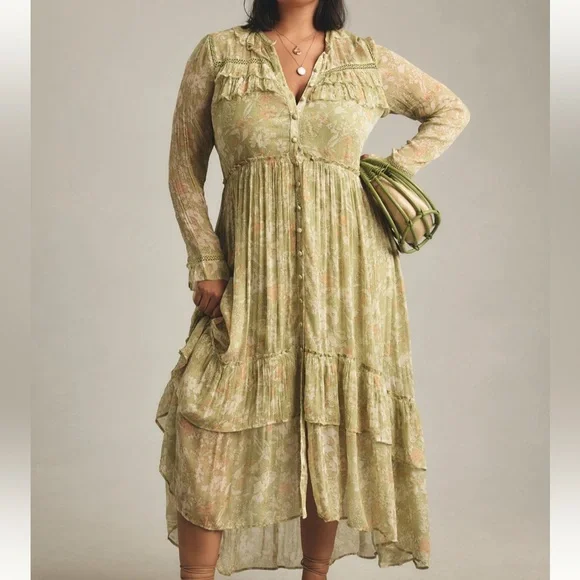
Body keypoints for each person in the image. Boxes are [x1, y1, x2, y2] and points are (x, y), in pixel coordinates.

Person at [154, 1, 470, 578]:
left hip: (349, 279)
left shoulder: (364, 58)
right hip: (251, 277)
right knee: (208, 424)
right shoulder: (219, 54)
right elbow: (183, 169)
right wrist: (206, 259)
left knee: (326, 425)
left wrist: (393, 169)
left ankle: (315, 574)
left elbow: (450, 109)